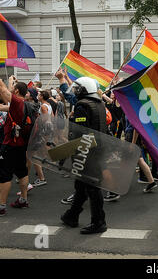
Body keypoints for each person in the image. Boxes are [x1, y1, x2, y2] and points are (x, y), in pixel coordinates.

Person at [0, 53, 32, 216]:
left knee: (4, 176)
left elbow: (1, 88)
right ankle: (23, 200)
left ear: (16, 91)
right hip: (21, 145)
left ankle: (0, 207)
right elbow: (0, 106)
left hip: (10, 145)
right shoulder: (28, 105)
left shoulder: (17, 103)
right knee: (22, 172)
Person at [60, 77, 108, 234]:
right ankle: (72, 216)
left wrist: (67, 151)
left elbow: (80, 132)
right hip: (98, 149)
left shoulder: (82, 106)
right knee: (81, 186)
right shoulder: (99, 103)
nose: (75, 90)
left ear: (83, 89)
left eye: (77, 88)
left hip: (86, 152)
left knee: (93, 188)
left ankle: (99, 222)